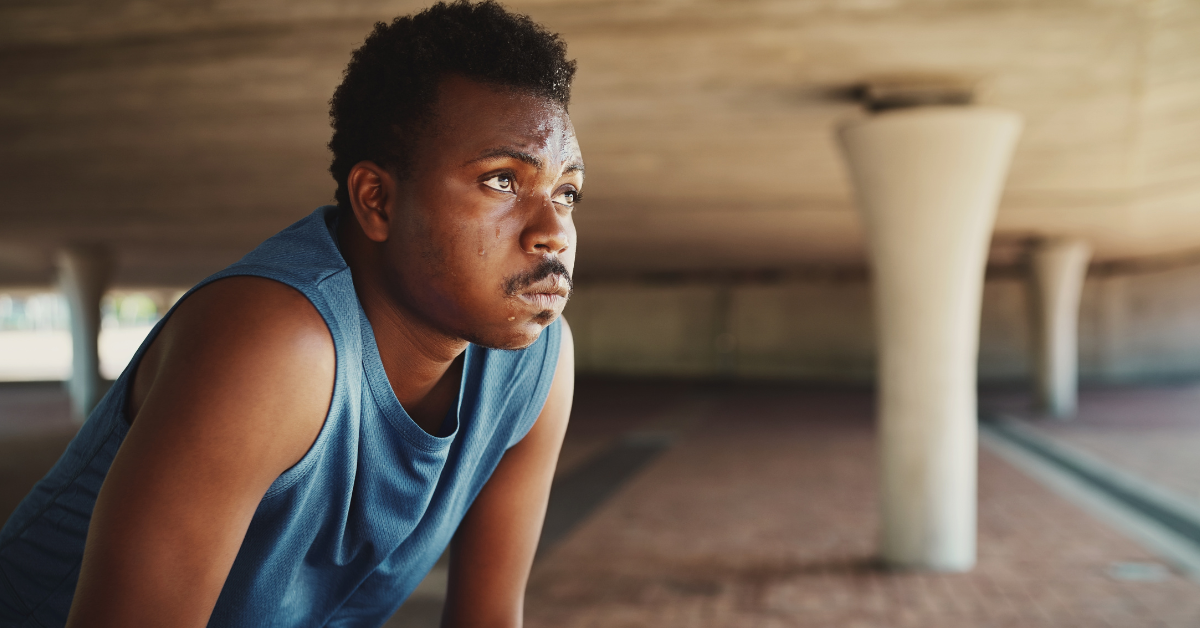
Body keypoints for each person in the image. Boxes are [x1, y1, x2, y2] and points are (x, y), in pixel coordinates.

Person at [0, 2, 582, 625]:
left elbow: (488, 617)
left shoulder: (537, 364)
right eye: (501, 181)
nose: (553, 230)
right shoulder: (278, 344)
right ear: (377, 201)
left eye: (568, 192)